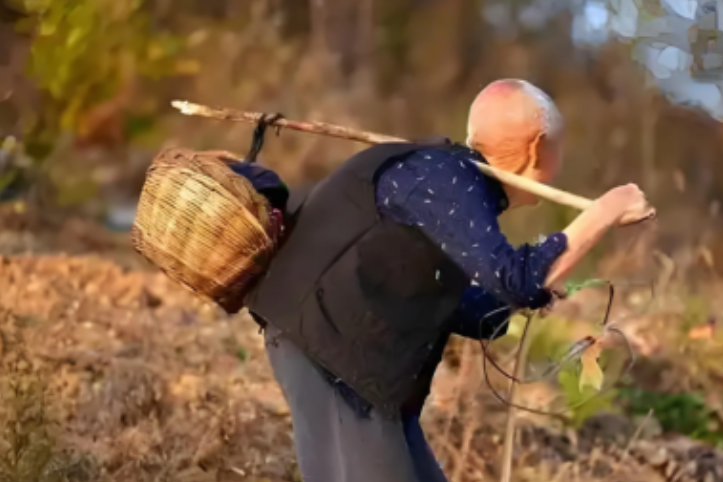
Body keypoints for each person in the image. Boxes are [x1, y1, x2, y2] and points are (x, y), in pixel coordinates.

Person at [240, 79, 654, 482]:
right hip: (329, 352)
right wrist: (606, 211)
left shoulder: (451, 185)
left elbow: (474, 309)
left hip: (348, 360)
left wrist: (538, 287)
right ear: (537, 148)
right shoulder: (449, 177)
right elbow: (515, 279)